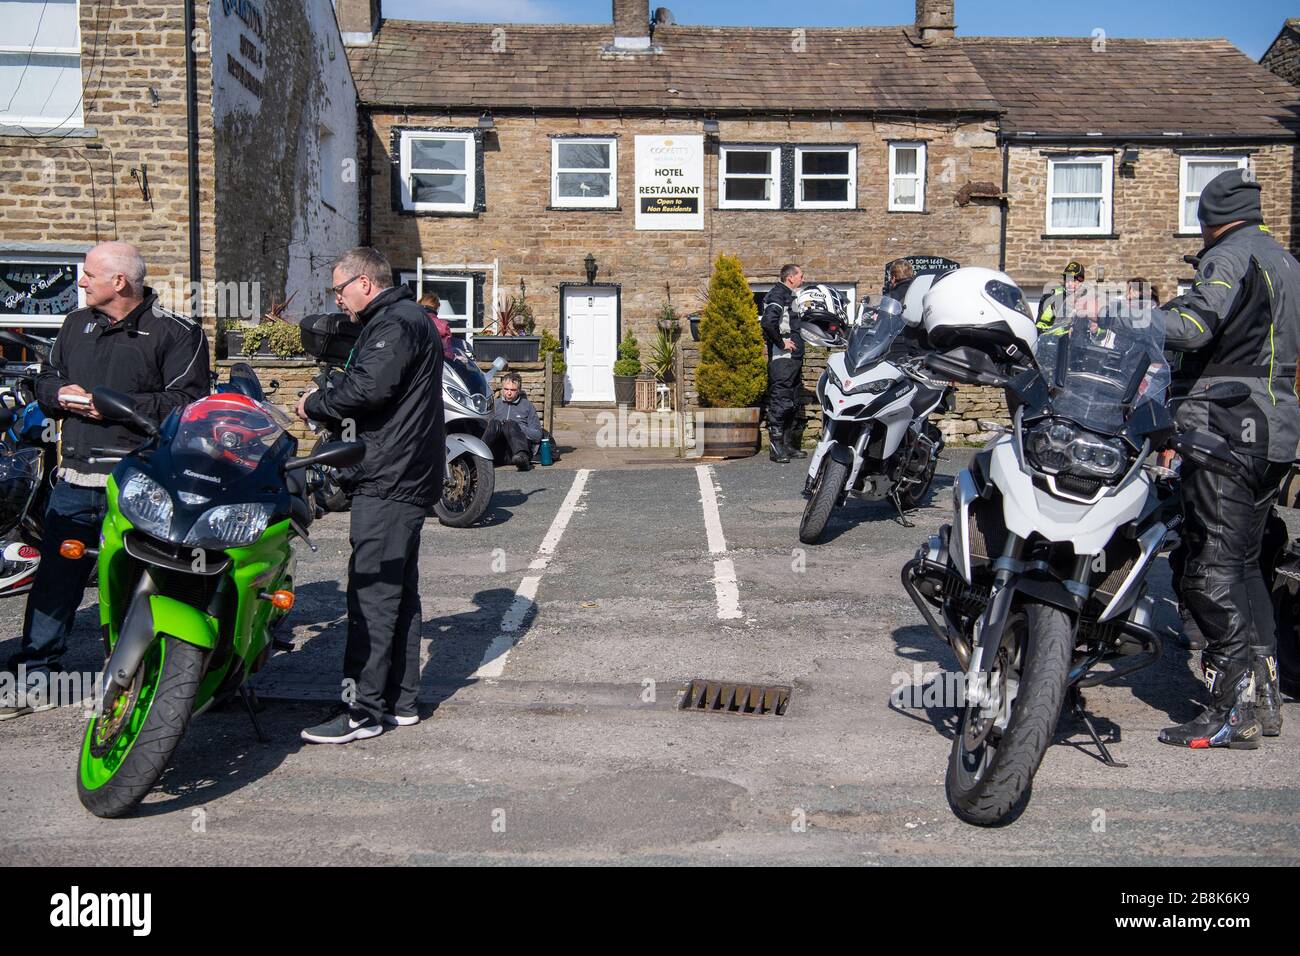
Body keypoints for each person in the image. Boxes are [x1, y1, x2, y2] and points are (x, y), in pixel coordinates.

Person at [0, 241, 210, 720]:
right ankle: (37, 671)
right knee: (57, 578)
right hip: (75, 477)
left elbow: (187, 403)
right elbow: (45, 379)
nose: (80, 281)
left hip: (140, 483)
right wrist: (60, 394)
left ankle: (140, 678)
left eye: (90, 274)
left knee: (144, 581)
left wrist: (114, 406)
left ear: (120, 282)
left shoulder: (177, 333)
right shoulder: (76, 324)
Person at [1152, 168, 1300, 748]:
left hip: (1227, 423)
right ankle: (1264, 698)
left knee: (1208, 566)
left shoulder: (1230, 256)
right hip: (1276, 429)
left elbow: (1191, 327)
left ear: (1209, 220)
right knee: (1244, 565)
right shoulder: (1286, 261)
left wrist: (1125, 316)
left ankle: (1231, 708)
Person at [297, 247, 443, 744]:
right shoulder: (406, 318)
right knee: (398, 592)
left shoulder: (395, 323)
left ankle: (361, 711)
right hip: (406, 471)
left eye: (340, 289)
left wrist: (314, 402)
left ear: (364, 282)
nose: (338, 300)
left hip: (390, 474)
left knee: (371, 594)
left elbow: (367, 391)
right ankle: (401, 702)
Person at [760, 263, 805, 464]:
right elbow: (768, 322)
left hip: (793, 360)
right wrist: (781, 342)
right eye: (800, 276)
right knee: (781, 402)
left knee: (793, 401)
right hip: (782, 360)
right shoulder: (777, 294)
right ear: (790, 278)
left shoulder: (790, 295)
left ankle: (788, 446)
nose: (803, 280)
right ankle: (776, 449)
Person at [485, 371, 543, 470]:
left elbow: (537, 435)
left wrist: (519, 428)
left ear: (519, 390)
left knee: (510, 424)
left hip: (517, 453)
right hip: (498, 452)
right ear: (502, 388)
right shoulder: (495, 404)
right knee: (495, 424)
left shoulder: (527, 406)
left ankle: (522, 459)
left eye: (513, 390)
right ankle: (477, 456)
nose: (509, 393)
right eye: (506, 389)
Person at [1035, 260, 1088, 330]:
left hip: (1081, 339)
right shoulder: (1052, 298)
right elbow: (1041, 326)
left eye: (1074, 280)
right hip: (1055, 339)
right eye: (1067, 280)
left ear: (1081, 281)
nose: (1069, 284)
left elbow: (1099, 328)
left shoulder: (1089, 298)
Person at [418, 291, 456, 360]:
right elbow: (448, 353)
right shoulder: (443, 325)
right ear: (437, 307)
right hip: (439, 364)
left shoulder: (412, 321)